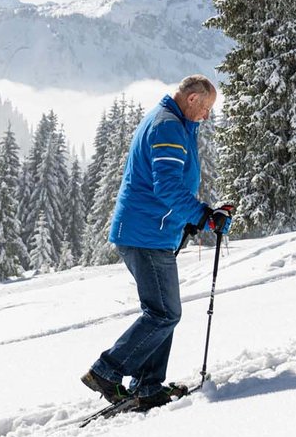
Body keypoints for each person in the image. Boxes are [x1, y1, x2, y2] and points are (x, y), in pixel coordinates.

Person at [82, 74, 232, 411]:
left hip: (151, 231)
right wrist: (203, 216)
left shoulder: (174, 123)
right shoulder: (167, 127)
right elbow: (165, 188)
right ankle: (106, 370)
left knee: (159, 311)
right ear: (192, 99)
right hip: (145, 235)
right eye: (206, 107)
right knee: (165, 313)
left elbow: (169, 186)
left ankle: (148, 386)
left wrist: (191, 217)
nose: (207, 115)